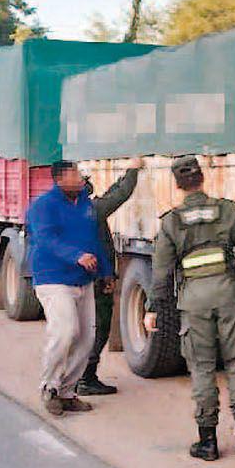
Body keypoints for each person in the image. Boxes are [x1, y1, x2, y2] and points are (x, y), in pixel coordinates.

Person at [146, 156, 235, 461]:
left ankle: (207, 442)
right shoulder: (227, 210)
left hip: (194, 301)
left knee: (202, 368)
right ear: (202, 179)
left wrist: (153, 308)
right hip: (229, 294)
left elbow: (161, 272)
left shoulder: (171, 221)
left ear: (177, 185)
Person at [25, 160, 111, 417]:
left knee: (86, 340)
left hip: (82, 279)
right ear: (60, 179)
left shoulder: (85, 204)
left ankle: (67, 392)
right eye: (74, 173)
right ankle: (49, 387)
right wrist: (76, 256)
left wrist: (106, 272)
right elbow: (46, 239)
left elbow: (94, 241)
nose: (80, 176)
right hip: (53, 279)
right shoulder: (43, 206)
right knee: (65, 332)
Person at [76, 155, 145, 397]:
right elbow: (118, 195)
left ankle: (78, 376)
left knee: (83, 329)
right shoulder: (90, 211)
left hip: (81, 281)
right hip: (95, 282)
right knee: (99, 328)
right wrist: (133, 171)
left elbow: (109, 196)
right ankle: (86, 378)